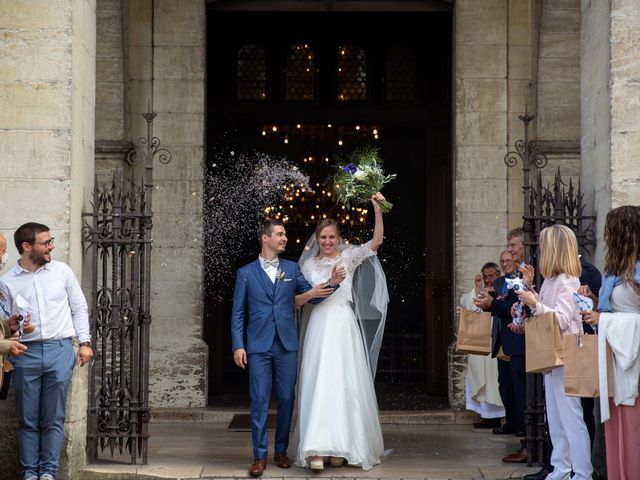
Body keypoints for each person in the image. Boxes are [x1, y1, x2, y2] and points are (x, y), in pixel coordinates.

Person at [230, 219, 345, 477]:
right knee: (259, 400)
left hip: (286, 345)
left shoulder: (292, 268)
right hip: (257, 345)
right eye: (280, 234)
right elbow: (238, 313)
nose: (284, 238)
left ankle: (280, 451)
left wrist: (334, 282)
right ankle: (259, 457)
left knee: (286, 398)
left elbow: (312, 297)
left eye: (284, 234)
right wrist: (238, 345)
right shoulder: (246, 273)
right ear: (265, 238)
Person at [292, 192, 388, 471]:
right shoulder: (308, 265)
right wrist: (319, 288)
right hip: (319, 325)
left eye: (332, 237)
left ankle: (343, 446)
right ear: (316, 239)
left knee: (343, 384)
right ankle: (316, 447)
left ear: (338, 238)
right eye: (323, 237)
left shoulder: (348, 258)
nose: (327, 242)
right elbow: (300, 299)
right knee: (318, 381)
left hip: (343, 326)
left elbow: (376, 242)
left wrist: (377, 210)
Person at [2, 223, 93, 480]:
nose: (51, 246)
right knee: (28, 418)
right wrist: (14, 326)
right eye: (45, 242)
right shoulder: (7, 282)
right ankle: (30, 473)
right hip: (25, 352)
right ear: (27, 247)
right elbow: (4, 324)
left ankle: (48, 473)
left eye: (51, 240)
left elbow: (79, 307)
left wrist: (84, 343)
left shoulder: (62, 272)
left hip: (59, 349)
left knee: (54, 417)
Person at [516, 225, 593, 480]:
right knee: (556, 418)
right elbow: (546, 310)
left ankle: (582, 472)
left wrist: (534, 302)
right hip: (553, 354)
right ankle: (560, 467)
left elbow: (559, 319)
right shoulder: (551, 280)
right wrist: (532, 292)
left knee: (570, 417)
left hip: (566, 354)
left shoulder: (568, 280)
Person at [582, 205, 640, 480]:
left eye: (610, 230)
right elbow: (614, 311)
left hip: (633, 362)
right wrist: (593, 304)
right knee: (614, 429)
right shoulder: (615, 271)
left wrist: (604, 320)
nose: (605, 235)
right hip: (614, 359)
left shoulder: (637, 272)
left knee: (633, 429)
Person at [460, 264, 504, 428]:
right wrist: (477, 289)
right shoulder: (480, 291)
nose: (487, 280)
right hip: (480, 342)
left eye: (490, 276)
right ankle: (487, 416)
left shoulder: (503, 288)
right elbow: (466, 304)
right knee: (481, 378)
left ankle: (498, 416)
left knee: (494, 379)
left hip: (495, 342)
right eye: (485, 276)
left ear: (498, 275)